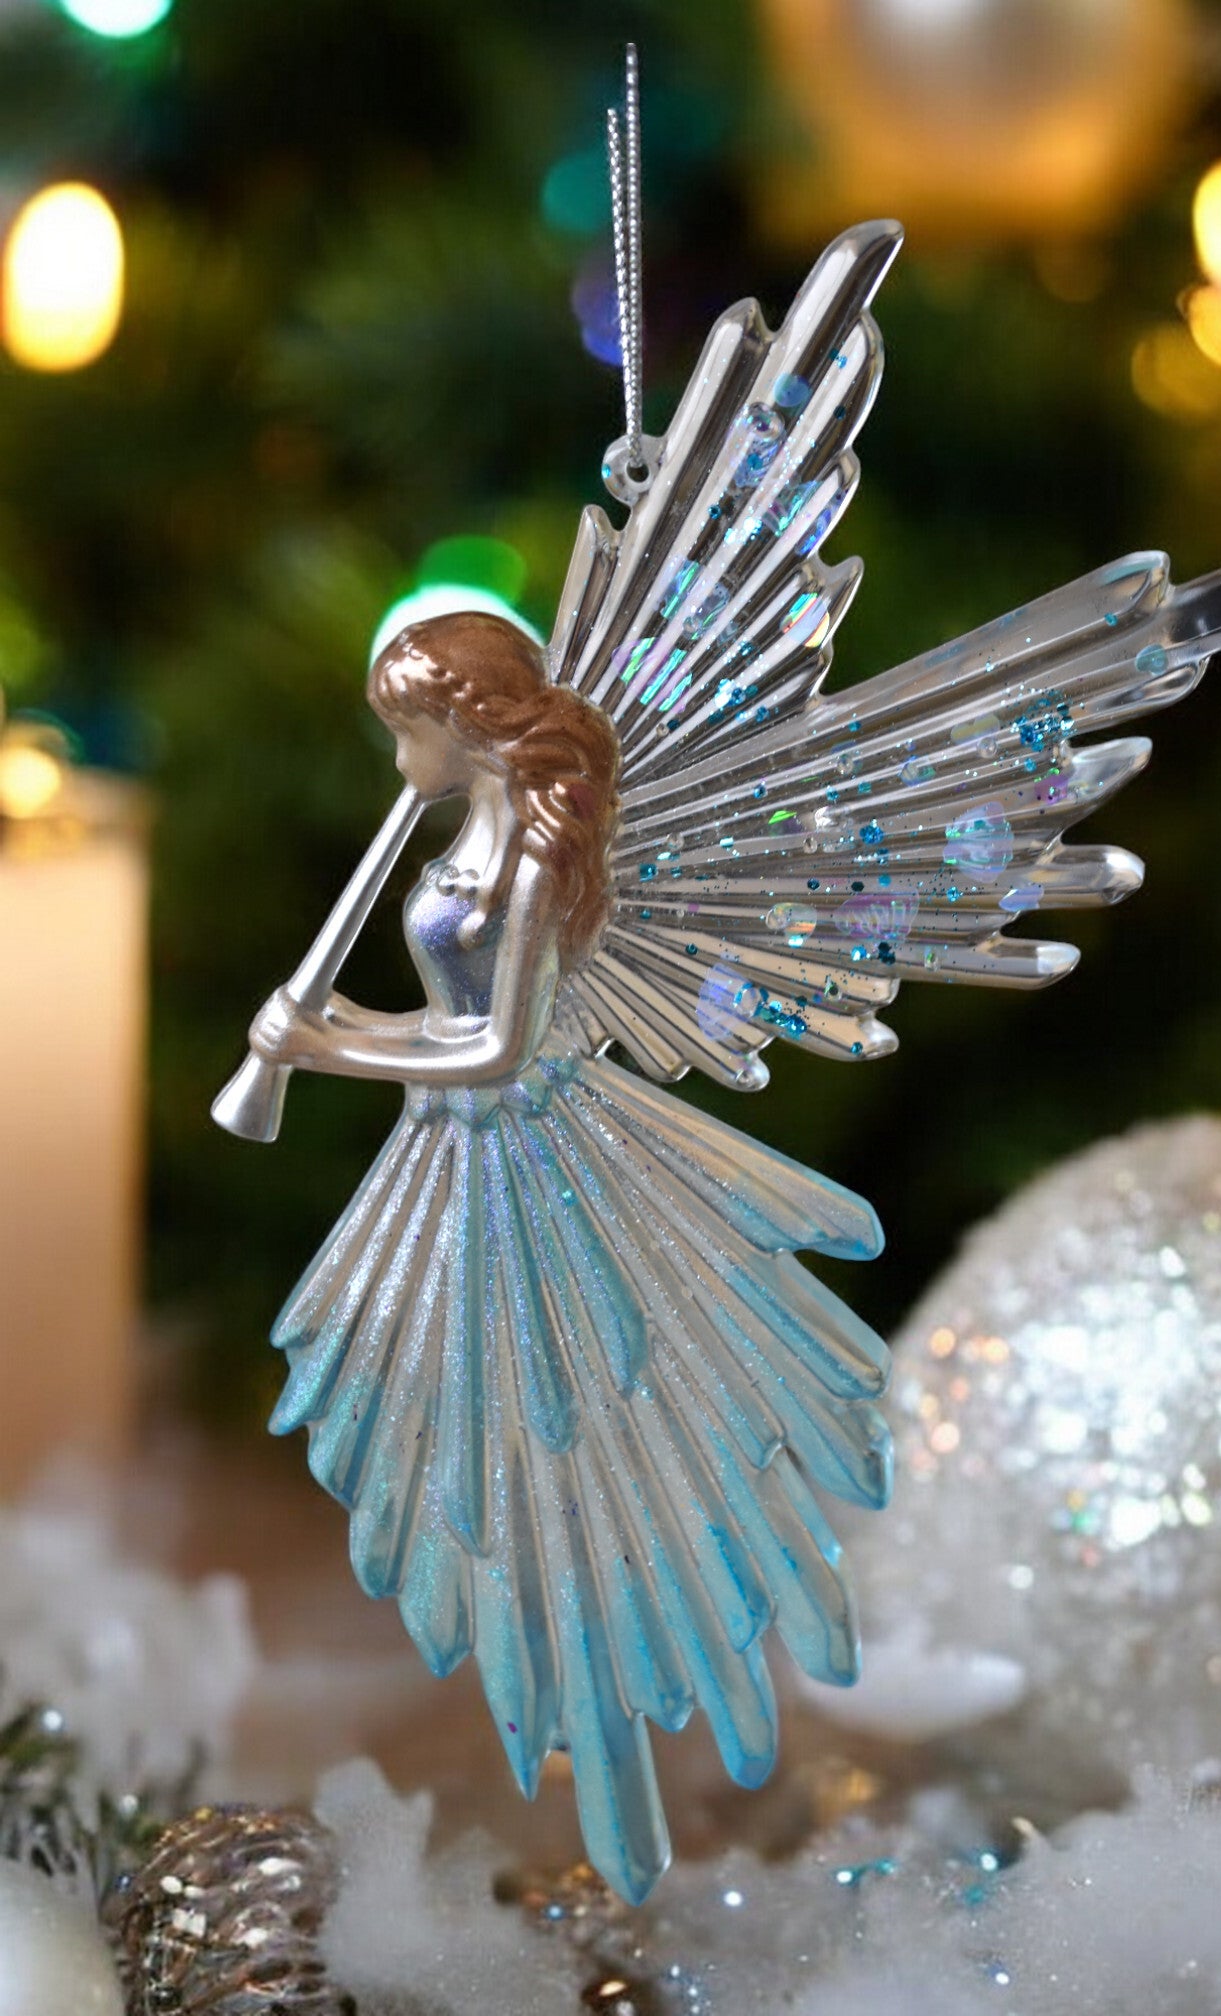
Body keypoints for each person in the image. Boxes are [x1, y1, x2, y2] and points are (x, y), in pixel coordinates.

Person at [248, 610, 892, 1905]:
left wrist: (329, 1050)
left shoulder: (544, 847)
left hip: (538, 1155)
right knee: (473, 1435)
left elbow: (498, 1047)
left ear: (465, 724)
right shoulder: (468, 835)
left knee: (580, 1427)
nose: (400, 759)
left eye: (409, 731)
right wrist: (357, 1023)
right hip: (451, 1163)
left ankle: (623, 1780)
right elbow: (450, 1023)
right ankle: (561, 1744)